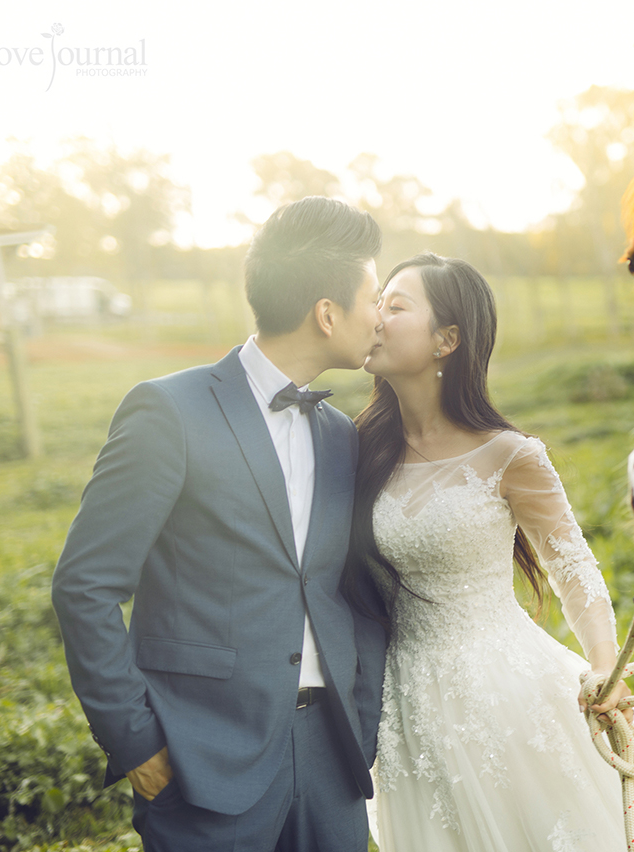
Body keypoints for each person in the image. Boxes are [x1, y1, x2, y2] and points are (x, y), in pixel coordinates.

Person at [346, 252, 634, 849]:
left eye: (396, 306)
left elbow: (572, 566)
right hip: (401, 706)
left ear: (446, 340)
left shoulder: (510, 455)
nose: (376, 317)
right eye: (377, 303)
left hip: (506, 693)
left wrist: (606, 664)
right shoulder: (355, 449)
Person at [51, 196, 388, 851]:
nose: (379, 317)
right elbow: (85, 585)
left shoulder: (343, 436)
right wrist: (135, 740)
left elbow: (357, 594)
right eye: (373, 297)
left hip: (332, 764)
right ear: (327, 313)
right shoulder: (167, 412)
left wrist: (362, 720)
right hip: (203, 762)